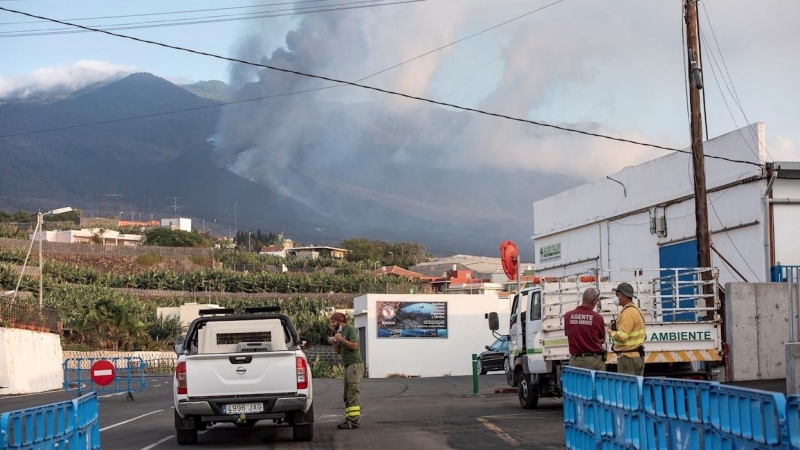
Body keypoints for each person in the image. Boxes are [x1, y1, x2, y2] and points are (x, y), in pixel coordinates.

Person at [328, 312, 364, 430]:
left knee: (353, 392)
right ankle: (349, 419)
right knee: (347, 394)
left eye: (333, 321)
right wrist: (334, 343)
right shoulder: (340, 333)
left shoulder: (350, 330)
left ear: (339, 321)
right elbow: (340, 351)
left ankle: (353, 422)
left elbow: (354, 346)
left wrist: (341, 339)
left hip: (354, 365)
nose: (331, 324)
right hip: (348, 366)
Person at [564, 288, 606, 371]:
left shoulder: (568, 316)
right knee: (598, 383)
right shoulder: (598, 318)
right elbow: (602, 339)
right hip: (594, 361)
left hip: (575, 361)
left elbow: (568, 334)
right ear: (593, 302)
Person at [608, 282, 646, 376]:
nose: (616, 298)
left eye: (618, 295)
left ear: (625, 297)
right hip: (635, 356)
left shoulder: (627, 313)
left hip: (628, 358)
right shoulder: (636, 310)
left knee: (627, 389)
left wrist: (610, 331)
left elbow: (622, 337)